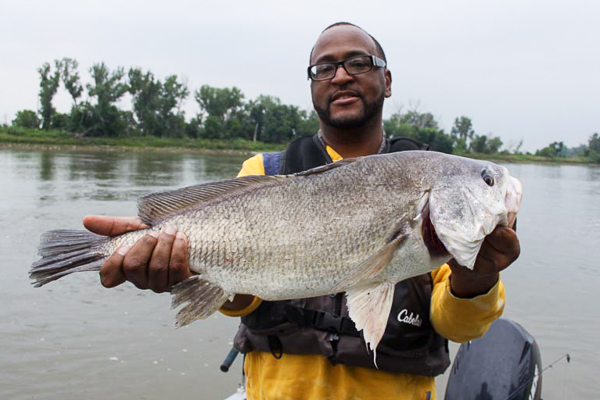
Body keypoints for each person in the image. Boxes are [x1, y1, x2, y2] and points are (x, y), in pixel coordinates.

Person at [83, 22, 520, 400]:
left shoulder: (431, 182)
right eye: (324, 68)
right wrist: (183, 266)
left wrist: (478, 275)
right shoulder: (262, 172)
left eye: (359, 63)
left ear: (387, 81)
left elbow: (458, 326)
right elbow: (240, 299)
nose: (341, 75)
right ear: (312, 86)